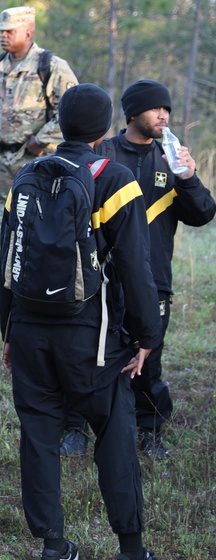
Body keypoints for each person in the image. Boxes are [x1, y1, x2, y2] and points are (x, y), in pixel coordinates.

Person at [0, 83, 187, 560]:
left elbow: (7, 264)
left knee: (38, 433)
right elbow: (134, 268)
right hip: (91, 336)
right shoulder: (115, 177)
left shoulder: (26, 177)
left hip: (31, 328)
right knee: (116, 432)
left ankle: (53, 551)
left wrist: (9, 330)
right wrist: (148, 336)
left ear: (60, 122)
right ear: (106, 128)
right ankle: (132, 557)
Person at [61, 80, 216, 457]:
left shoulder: (171, 156)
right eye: (154, 109)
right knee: (86, 354)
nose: (163, 115)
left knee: (149, 359)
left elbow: (203, 213)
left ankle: (149, 430)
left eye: (167, 110)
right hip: (99, 277)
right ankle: (75, 427)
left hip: (153, 279)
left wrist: (189, 177)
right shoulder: (104, 151)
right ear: (132, 113)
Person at [0, 6, 77, 229]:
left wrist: (41, 141)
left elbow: (70, 112)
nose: (3, 35)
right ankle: (7, 264)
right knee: (3, 221)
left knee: (40, 218)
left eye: (10, 31)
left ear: (28, 32)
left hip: (39, 160)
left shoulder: (51, 67)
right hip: (2, 161)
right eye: (1, 31)